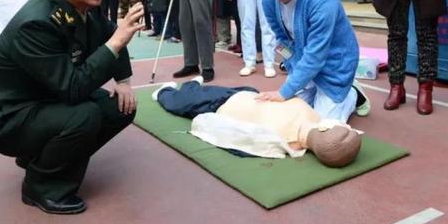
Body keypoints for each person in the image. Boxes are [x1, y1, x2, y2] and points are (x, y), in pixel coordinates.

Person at [0, 0, 144, 214]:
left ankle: (42, 158)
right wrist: (117, 40)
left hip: (43, 101)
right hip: (8, 116)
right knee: (85, 114)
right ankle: (41, 187)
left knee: (120, 107)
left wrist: (124, 81)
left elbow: (110, 33)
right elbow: (74, 87)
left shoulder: (83, 9)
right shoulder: (37, 23)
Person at [256, 0, 369, 122]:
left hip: (334, 66)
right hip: (304, 61)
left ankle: (351, 94)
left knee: (321, 126)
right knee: (287, 117)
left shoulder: (323, 2)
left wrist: (285, 91)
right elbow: (281, 40)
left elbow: (316, 55)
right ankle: (316, 87)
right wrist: (293, 67)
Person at [152, 77, 362, 167]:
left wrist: (204, 124)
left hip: (225, 105)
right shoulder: (315, 119)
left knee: (179, 103)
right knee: (199, 94)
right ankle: (191, 85)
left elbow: (237, 142)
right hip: (249, 95)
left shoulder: (281, 143)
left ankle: (165, 90)